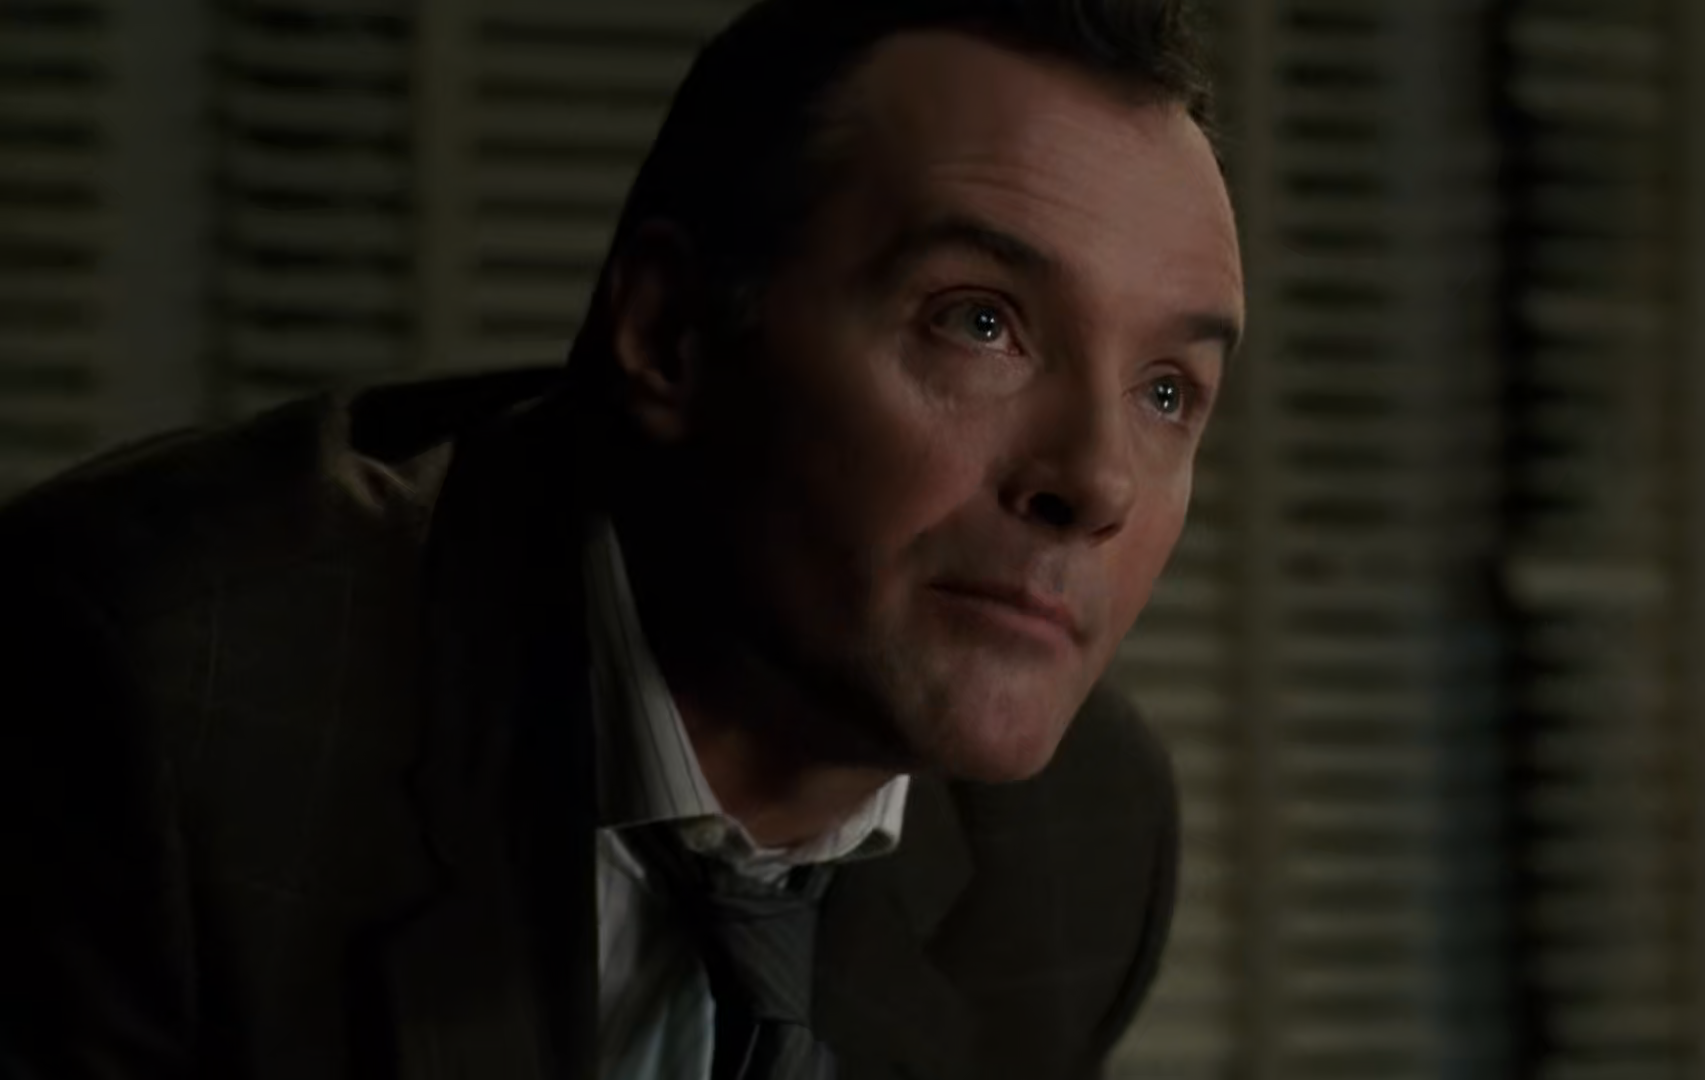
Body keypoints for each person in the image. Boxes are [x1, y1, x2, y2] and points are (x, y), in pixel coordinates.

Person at [0, 0, 1244, 1076]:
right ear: (669, 335)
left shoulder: (1078, 837)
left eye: (1167, 391)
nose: (1098, 482)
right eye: (980, 323)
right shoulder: (150, 701)